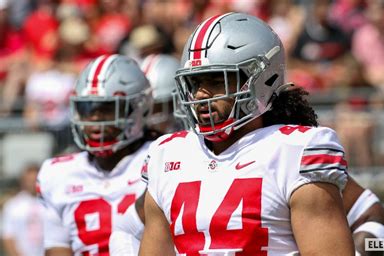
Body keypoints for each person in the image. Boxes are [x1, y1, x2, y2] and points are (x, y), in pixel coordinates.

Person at [139, 12, 354, 255]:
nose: (200, 95)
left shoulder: (296, 151)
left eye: (216, 81)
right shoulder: (167, 154)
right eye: (196, 83)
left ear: (262, 80)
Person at [36, 54, 153, 255]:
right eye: (87, 109)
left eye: (107, 109)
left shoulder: (161, 158)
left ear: (137, 108)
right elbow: (57, 248)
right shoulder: (57, 174)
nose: (95, 119)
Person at [108, 53, 182, 255]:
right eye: (143, 108)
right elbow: (125, 230)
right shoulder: (153, 153)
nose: (148, 117)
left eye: (156, 107)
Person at [2, 164, 44, 256]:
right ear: (23, 181)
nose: (32, 184)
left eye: (35, 180)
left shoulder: (50, 203)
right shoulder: (13, 205)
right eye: (29, 180)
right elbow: (7, 236)